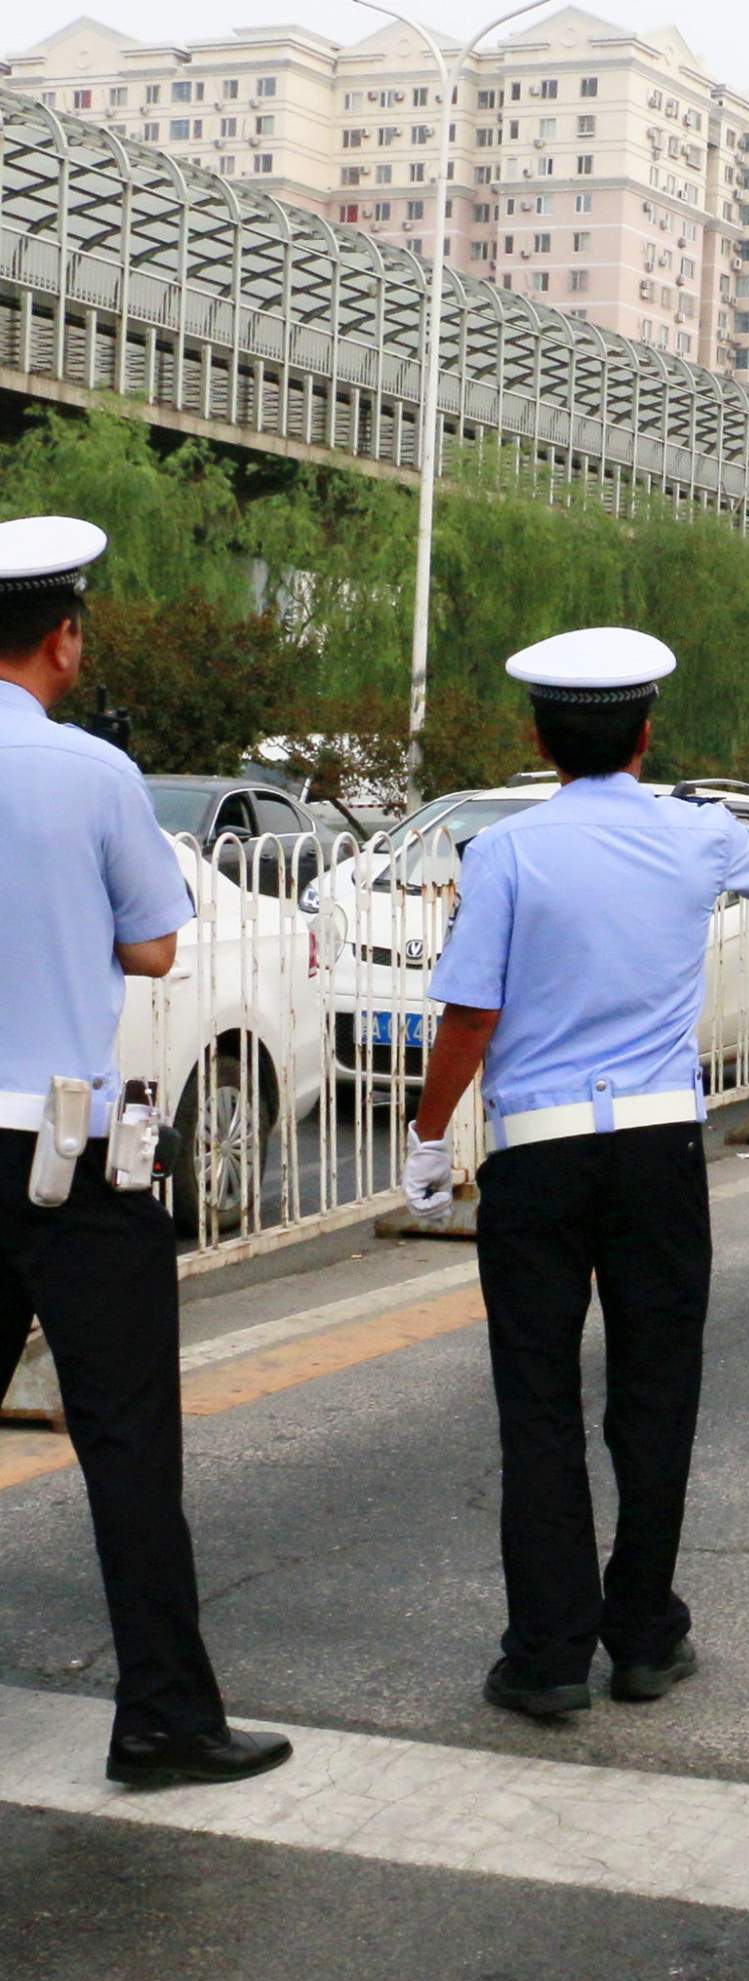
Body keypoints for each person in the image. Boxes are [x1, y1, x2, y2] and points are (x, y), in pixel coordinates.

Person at [401, 627, 749, 1714]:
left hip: (539, 1155)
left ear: (539, 738)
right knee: (656, 1391)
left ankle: (550, 1654)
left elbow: (473, 1012)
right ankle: (645, 1634)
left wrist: (428, 1137)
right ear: (646, 735)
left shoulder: (505, 854)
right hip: (658, 1151)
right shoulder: (695, 838)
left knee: (539, 1399)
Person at [0, 515, 290, 1787]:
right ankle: (164, 1716)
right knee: (126, 1437)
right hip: (57, 1152)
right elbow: (158, 946)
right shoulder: (93, 774)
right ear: (64, 639)